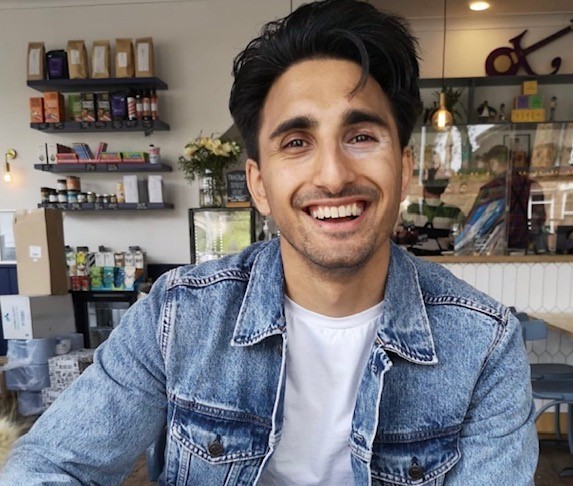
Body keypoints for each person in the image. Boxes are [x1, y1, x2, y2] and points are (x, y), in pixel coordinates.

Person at [1, 1, 538, 484]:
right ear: (258, 184)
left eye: (360, 136)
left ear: (404, 168)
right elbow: (47, 466)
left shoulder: (484, 344)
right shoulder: (176, 316)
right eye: (297, 142)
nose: (332, 176)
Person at [457, 145, 546, 255]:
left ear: (494, 163)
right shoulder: (532, 185)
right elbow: (539, 219)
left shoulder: (491, 189)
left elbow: (474, 224)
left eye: (489, 166)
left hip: (496, 250)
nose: (489, 170)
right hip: (524, 249)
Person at [402, 169, 465, 255]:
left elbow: (399, 234)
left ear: (424, 186)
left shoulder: (411, 209)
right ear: (444, 188)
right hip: (443, 259)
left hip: (415, 257)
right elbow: (462, 236)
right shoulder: (454, 212)